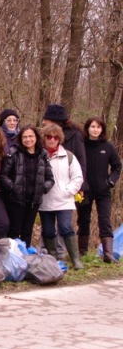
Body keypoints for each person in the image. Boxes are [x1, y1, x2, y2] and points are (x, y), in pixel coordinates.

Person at [41, 104, 87, 259]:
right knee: (48, 228)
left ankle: (70, 256)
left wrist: (74, 188)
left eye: (46, 120)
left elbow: (80, 161)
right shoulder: (43, 140)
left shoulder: (74, 136)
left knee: (65, 225)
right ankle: (52, 255)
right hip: (47, 193)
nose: (44, 123)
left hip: (67, 187)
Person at [0, 125, 54, 247]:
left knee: (27, 231)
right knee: (14, 230)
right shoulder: (14, 153)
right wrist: (13, 188)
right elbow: (3, 176)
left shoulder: (43, 154)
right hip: (16, 200)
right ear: (20, 139)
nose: (28, 139)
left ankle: (25, 257)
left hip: (34, 201)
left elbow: (50, 179)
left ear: (36, 137)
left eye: (31, 136)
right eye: (25, 137)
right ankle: (12, 257)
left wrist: (42, 188)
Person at [76, 117, 121, 262]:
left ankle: (107, 254)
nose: (95, 129)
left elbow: (117, 166)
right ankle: (82, 253)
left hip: (103, 191)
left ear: (102, 130)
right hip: (84, 190)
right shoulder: (81, 145)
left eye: (98, 127)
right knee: (83, 220)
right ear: (87, 128)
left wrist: (110, 182)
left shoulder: (108, 147)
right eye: (93, 126)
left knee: (104, 221)